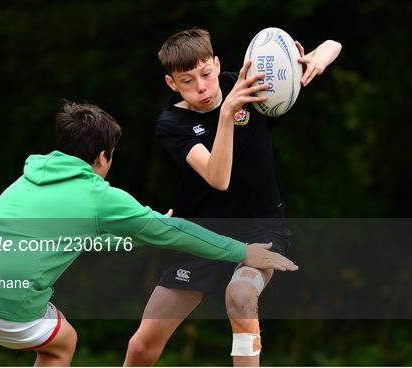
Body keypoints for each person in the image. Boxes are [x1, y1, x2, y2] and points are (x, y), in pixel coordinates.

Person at [0, 102, 298, 367]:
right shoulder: (99, 194)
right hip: (3, 299)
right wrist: (242, 250)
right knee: (63, 344)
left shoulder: (28, 177)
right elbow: (170, 233)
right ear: (103, 157)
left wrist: (139, 223)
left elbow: (76, 230)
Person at [124, 28, 341, 366]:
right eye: (187, 81)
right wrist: (227, 115)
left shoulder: (242, 83)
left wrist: (315, 60)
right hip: (203, 236)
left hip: (260, 231)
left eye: (207, 74)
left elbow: (333, 43)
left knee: (240, 296)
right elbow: (217, 177)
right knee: (142, 347)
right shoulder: (172, 123)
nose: (202, 87)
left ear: (217, 64)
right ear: (172, 84)